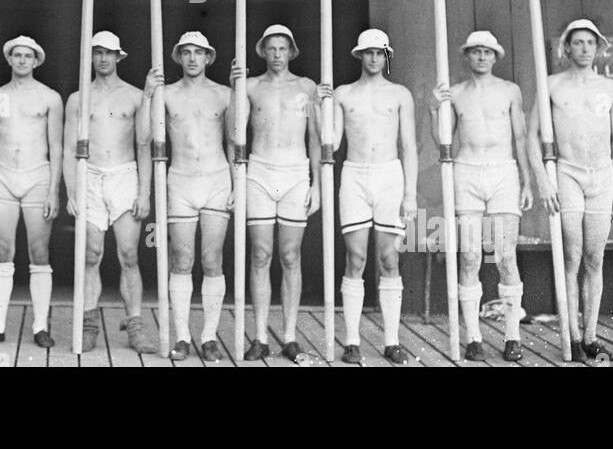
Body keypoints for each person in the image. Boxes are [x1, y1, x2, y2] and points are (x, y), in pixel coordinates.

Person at [530, 18, 613, 364]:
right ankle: (571, 334)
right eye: (578, 43)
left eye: (590, 43)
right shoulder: (552, 85)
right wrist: (544, 180)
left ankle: (590, 336)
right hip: (567, 175)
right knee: (571, 257)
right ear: (566, 48)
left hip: (601, 176)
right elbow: (531, 137)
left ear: (598, 47)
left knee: (594, 257)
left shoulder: (610, 88)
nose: (584, 49)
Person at [431, 31, 532, 362]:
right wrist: (435, 109)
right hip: (468, 171)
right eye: (475, 52)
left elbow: (520, 138)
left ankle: (512, 337)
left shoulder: (509, 91)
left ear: (495, 56)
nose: (482, 57)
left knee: (505, 256)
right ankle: (473, 337)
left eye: (487, 52)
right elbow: (442, 141)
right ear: (467, 56)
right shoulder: (456, 94)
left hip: (503, 172)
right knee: (471, 256)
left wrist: (527, 181)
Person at [320, 29, 418, 365]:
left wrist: (410, 192)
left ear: (386, 56)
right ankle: (351, 341)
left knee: (389, 258)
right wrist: (323, 105)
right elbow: (330, 143)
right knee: (356, 257)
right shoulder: (344, 95)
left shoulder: (400, 94)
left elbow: (409, 146)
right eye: (369, 53)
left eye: (380, 53)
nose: (374, 59)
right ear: (359, 55)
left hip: (390, 175)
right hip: (355, 175)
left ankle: (391, 341)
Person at [229, 24, 320, 363]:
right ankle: (260, 335)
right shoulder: (250, 87)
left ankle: (290, 335)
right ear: (263, 52)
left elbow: (316, 137)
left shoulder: (306, 87)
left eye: (283, 48)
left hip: (296, 173)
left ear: (291, 51)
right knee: (260, 254)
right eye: (272, 48)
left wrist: (317, 184)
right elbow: (233, 132)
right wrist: (233, 89)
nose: (277, 54)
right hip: (260, 172)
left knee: (291, 255)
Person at [140, 31, 234, 362]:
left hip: (216, 178)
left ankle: (208, 336)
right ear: (178, 57)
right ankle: (181, 336)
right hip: (179, 179)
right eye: (186, 52)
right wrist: (147, 95)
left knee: (212, 260)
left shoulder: (225, 94)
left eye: (199, 52)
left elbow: (236, 143)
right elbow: (143, 136)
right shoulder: (166, 94)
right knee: (181, 261)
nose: (193, 58)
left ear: (209, 57)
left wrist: (237, 185)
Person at [65, 31, 156, 354]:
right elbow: (68, 149)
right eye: (97, 52)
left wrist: (144, 193)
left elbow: (144, 145)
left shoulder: (134, 96)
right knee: (90, 254)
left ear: (119, 56)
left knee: (129, 254)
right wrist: (71, 190)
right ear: (90, 57)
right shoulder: (79, 98)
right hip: (90, 176)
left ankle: (135, 325)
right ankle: (89, 324)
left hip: (124, 175)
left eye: (109, 53)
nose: (103, 58)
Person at [0, 35, 62, 348]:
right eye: (17, 55)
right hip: (3, 175)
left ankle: (39, 326)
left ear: (36, 61)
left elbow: (57, 146)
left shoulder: (50, 97)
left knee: (39, 252)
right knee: (2, 250)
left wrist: (54, 191)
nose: (22, 60)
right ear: (9, 59)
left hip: (38, 175)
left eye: (28, 56)